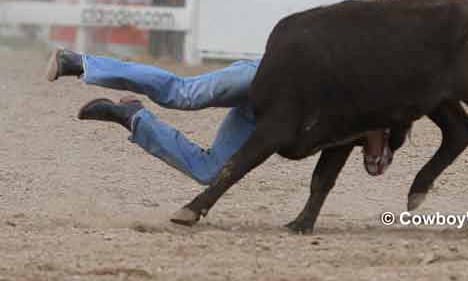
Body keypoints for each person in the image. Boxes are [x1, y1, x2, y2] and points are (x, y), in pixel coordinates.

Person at [46, 49, 391, 186]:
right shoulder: (365, 102)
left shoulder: (348, 127)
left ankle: (132, 117)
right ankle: (80, 63)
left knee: (211, 171)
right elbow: (375, 163)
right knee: (183, 93)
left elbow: (373, 165)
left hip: (263, 114)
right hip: (268, 78)